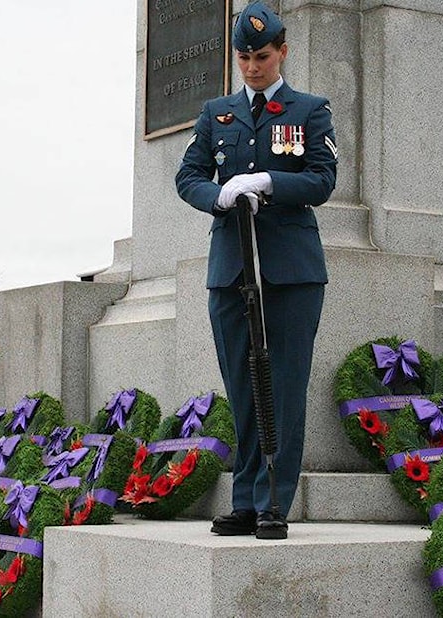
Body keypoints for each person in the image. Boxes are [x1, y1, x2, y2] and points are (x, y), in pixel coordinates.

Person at [176, 2, 337, 540]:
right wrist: (218, 195)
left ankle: (274, 501)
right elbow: (188, 175)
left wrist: (268, 181)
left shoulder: (309, 110)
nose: (251, 67)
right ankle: (244, 499)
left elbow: (321, 178)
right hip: (231, 268)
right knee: (242, 386)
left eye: (261, 56)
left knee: (284, 386)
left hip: (290, 271)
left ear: (283, 52)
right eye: (243, 56)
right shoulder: (217, 112)